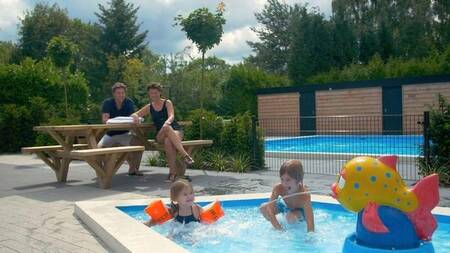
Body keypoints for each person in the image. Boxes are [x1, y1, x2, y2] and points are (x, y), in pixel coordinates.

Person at [132, 82, 194, 182]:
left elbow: (172, 116)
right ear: (149, 94)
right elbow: (135, 114)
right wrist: (135, 116)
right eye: (151, 93)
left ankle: (172, 174)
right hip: (160, 134)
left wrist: (167, 123)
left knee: (168, 141)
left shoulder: (167, 102)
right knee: (166, 131)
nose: (154, 95)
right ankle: (185, 155)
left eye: (156, 92)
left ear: (160, 92)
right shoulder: (149, 107)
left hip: (175, 130)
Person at [98, 82, 144, 176]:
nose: (121, 95)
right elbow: (105, 120)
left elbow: (132, 116)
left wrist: (135, 117)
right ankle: (103, 171)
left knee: (139, 143)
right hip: (110, 134)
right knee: (99, 149)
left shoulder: (129, 102)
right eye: (118, 93)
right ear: (114, 94)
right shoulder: (107, 103)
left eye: (123, 92)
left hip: (124, 134)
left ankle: (133, 169)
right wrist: (118, 121)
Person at [260, 160, 315, 232]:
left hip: (300, 212)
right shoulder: (278, 188)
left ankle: (294, 229)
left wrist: (309, 239)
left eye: (288, 180)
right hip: (286, 208)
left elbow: (310, 221)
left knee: (290, 217)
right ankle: (282, 224)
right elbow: (269, 209)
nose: (284, 184)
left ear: (298, 180)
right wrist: (279, 228)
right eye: (282, 179)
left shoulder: (304, 195)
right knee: (263, 207)